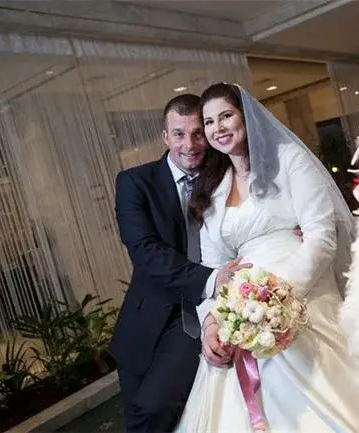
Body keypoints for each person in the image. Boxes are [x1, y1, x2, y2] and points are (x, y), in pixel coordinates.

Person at [175, 83, 359, 432]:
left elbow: (321, 236)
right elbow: (212, 267)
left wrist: (277, 297)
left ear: (246, 115)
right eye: (210, 122)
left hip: (303, 291)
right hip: (239, 306)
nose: (218, 128)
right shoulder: (212, 186)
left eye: (226, 116)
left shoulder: (288, 160)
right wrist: (213, 321)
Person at [110, 93, 249, 433]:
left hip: (196, 314)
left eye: (198, 133)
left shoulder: (227, 174)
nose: (190, 144)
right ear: (165, 137)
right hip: (146, 318)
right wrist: (211, 278)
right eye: (179, 134)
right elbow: (144, 250)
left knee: (154, 409)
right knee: (139, 416)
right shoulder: (134, 182)